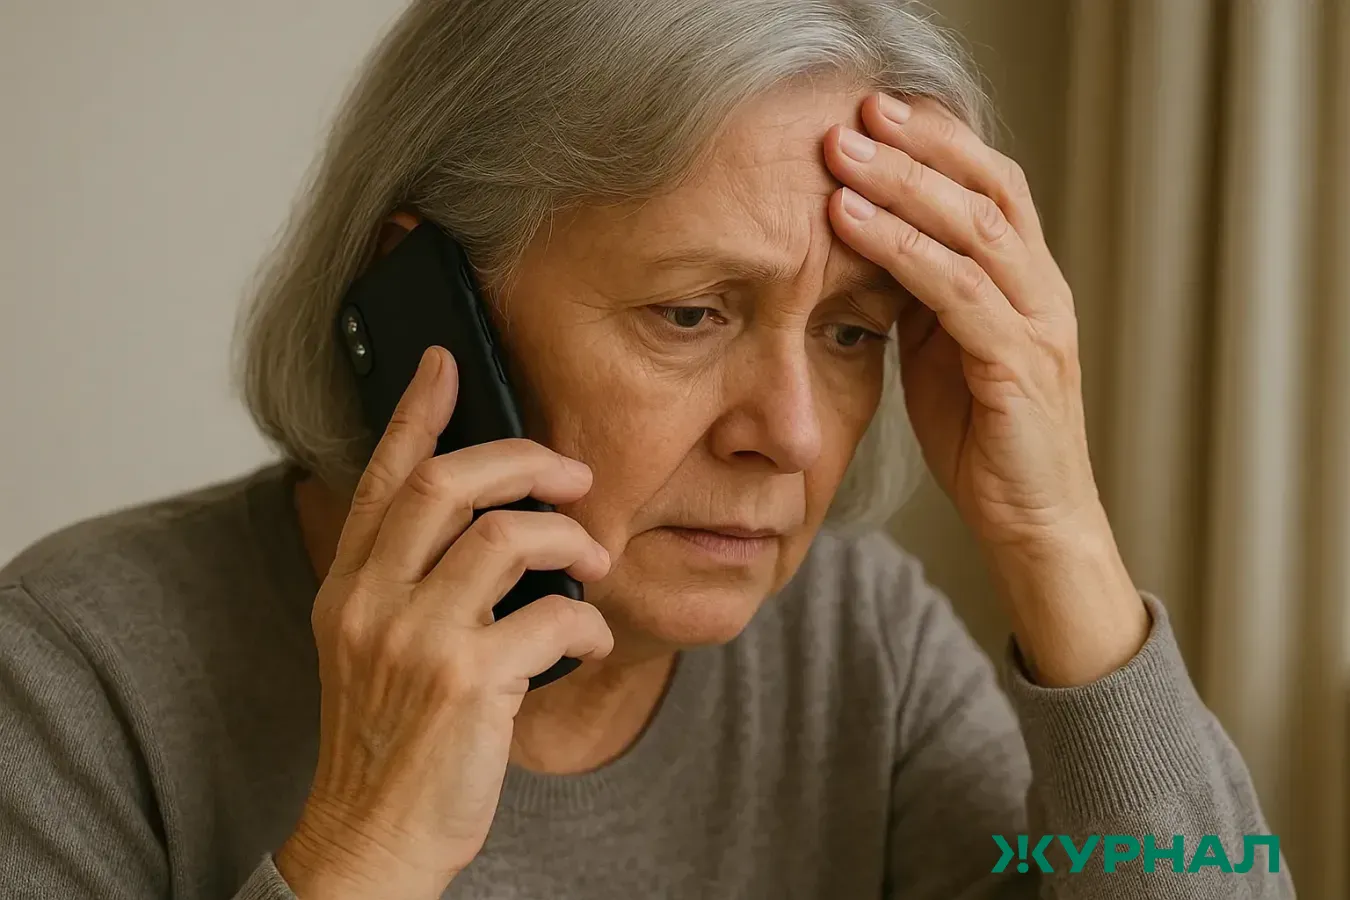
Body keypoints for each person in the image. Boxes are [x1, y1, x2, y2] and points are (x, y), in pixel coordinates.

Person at [0, 1, 1295, 898]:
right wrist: (360, 849)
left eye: (849, 333)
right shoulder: (77, 668)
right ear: (425, 306)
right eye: (691, 314)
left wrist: (1058, 540)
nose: (790, 434)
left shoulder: (861, 648)